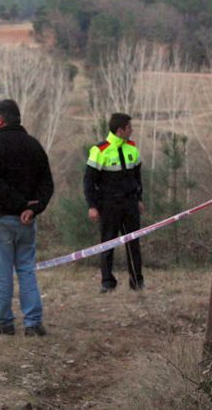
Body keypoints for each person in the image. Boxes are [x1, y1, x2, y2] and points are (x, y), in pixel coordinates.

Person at [0, 99, 54, 337]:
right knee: (26, 270)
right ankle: (33, 322)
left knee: (1, 273)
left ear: (0, 120)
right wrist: (34, 208)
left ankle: (2, 321)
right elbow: (47, 184)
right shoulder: (34, 146)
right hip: (27, 221)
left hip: (1, 219)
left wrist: (19, 205)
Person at [83, 113, 144, 294]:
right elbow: (88, 181)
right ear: (120, 130)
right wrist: (92, 206)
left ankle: (137, 282)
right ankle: (107, 282)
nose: (131, 130)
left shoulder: (132, 148)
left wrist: (139, 199)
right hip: (109, 205)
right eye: (129, 127)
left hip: (130, 204)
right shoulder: (100, 150)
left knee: (133, 244)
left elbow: (137, 177)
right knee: (107, 243)